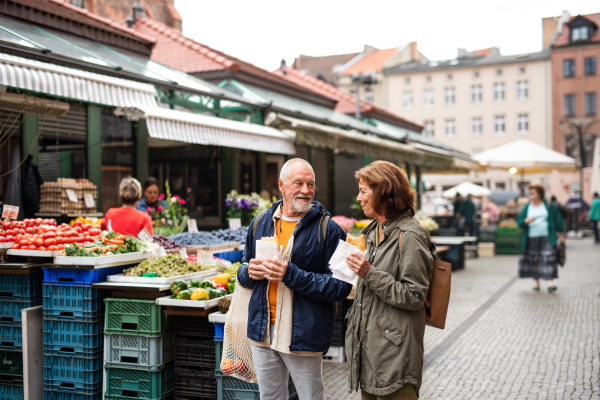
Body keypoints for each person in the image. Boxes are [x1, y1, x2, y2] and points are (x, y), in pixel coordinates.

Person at [237, 158, 351, 400]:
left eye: (311, 184)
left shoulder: (330, 230)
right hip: (262, 330)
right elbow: (243, 267)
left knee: (310, 397)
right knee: (270, 397)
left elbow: (341, 287)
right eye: (298, 183)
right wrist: (247, 273)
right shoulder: (259, 222)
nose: (305, 190)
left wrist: (292, 275)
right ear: (281, 184)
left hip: (303, 332)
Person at [344, 161, 433, 400]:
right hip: (368, 350)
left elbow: (414, 296)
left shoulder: (411, 235)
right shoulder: (372, 231)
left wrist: (368, 273)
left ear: (383, 190)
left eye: (363, 191)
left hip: (396, 354)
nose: (359, 198)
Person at [517, 184, 564, 292]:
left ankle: (550, 284)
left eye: (532, 193)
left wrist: (561, 233)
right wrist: (526, 221)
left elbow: (558, 219)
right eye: (529, 193)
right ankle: (536, 283)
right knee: (534, 259)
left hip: (547, 237)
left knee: (549, 258)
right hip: (531, 238)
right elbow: (519, 220)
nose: (530, 195)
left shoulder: (548, 205)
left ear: (539, 194)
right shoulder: (528, 207)